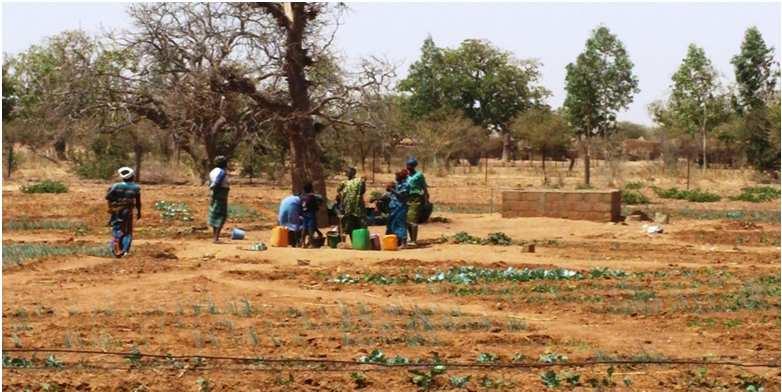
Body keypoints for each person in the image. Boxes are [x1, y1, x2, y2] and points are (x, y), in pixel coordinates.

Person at [106, 167, 141, 258]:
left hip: (116, 211)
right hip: (127, 211)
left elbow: (108, 197)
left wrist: (111, 207)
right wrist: (139, 212)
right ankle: (124, 250)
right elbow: (138, 202)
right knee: (127, 231)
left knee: (117, 229)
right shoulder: (136, 188)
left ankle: (115, 248)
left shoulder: (115, 186)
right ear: (132, 177)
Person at [335, 167, 367, 240]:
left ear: (353, 173)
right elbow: (338, 191)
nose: (346, 173)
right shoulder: (344, 183)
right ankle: (354, 241)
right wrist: (342, 199)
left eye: (348, 172)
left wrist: (363, 183)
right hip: (348, 207)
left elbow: (362, 191)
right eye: (346, 172)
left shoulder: (359, 181)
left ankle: (361, 240)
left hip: (357, 206)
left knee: (360, 223)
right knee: (349, 225)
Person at [405, 158, 429, 246]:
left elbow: (424, 187)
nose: (408, 167)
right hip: (407, 198)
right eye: (407, 165)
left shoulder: (419, 175)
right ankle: (410, 239)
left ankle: (414, 240)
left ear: (414, 166)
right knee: (407, 220)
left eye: (410, 165)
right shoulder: (406, 175)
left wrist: (426, 199)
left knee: (413, 219)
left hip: (416, 198)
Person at [208, 156, 230, 243]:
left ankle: (215, 236)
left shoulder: (212, 171)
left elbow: (210, 183)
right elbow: (216, 182)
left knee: (215, 214)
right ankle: (216, 238)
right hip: (221, 194)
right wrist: (216, 189)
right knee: (221, 215)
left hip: (215, 194)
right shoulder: (222, 172)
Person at [386, 170, 410, 248]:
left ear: (401, 177)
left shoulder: (406, 185)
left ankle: (404, 242)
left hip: (401, 207)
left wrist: (392, 190)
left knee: (400, 224)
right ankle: (396, 242)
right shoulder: (397, 185)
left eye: (397, 176)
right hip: (394, 207)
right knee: (392, 224)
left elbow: (401, 196)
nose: (395, 178)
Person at [300, 181, 324, 248]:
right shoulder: (312, 197)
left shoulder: (302, 197)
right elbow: (315, 206)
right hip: (311, 214)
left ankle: (302, 243)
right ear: (311, 189)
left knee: (304, 229)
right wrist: (317, 208)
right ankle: (311, 244)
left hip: (304, 214)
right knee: (311, 229)